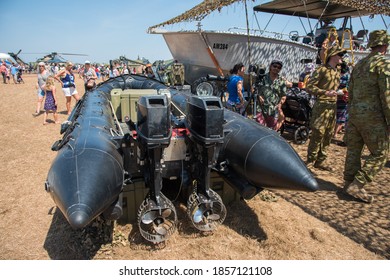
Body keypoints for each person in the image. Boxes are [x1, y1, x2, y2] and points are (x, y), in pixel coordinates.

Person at [343, 30, 390, 203]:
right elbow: (387, 96)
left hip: (355, 114)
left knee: (354, 150)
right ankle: (357, 184)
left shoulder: (359, 65)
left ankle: (348, 182)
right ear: (385, 45)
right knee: (381, 153)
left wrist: (351, 113)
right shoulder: (383, 64)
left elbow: (351, 92)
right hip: (373, 116)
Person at [305, 45, 346, 171]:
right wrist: (324, 92)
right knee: (318, 133)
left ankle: (320, 161)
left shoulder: (337, 71)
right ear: (333, 55)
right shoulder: (322, 69)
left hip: (332, 106)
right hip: (322, 105)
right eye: (340, 55)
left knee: (328, 134)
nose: (342, 58)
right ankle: (310, 161)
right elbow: (309, 87)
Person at [255, 60, 287, 130]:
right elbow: (254, 89)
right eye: (274, 66)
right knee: (260, 129)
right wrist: (259, 96)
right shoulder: (262, 77)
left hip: (273, 110)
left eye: (279, 67)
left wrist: (280, 104)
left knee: (271, 130)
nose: (276, 68)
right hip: (261, 108)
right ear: (270, 66)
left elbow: (283, 95)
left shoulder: (282, 81)